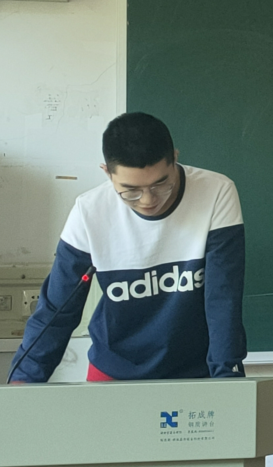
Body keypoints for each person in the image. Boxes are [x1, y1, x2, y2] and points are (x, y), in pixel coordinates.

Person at [7, 112, 246, 383]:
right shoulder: (89, 211)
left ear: (175, 158)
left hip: (196, 370)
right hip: (114, 370)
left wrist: (227, 379)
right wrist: (22, 382)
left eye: (161, 184)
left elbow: (223, 300)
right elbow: (57, 310)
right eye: (131, 191)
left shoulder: (215, 192)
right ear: (107, 173)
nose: (148, 200)